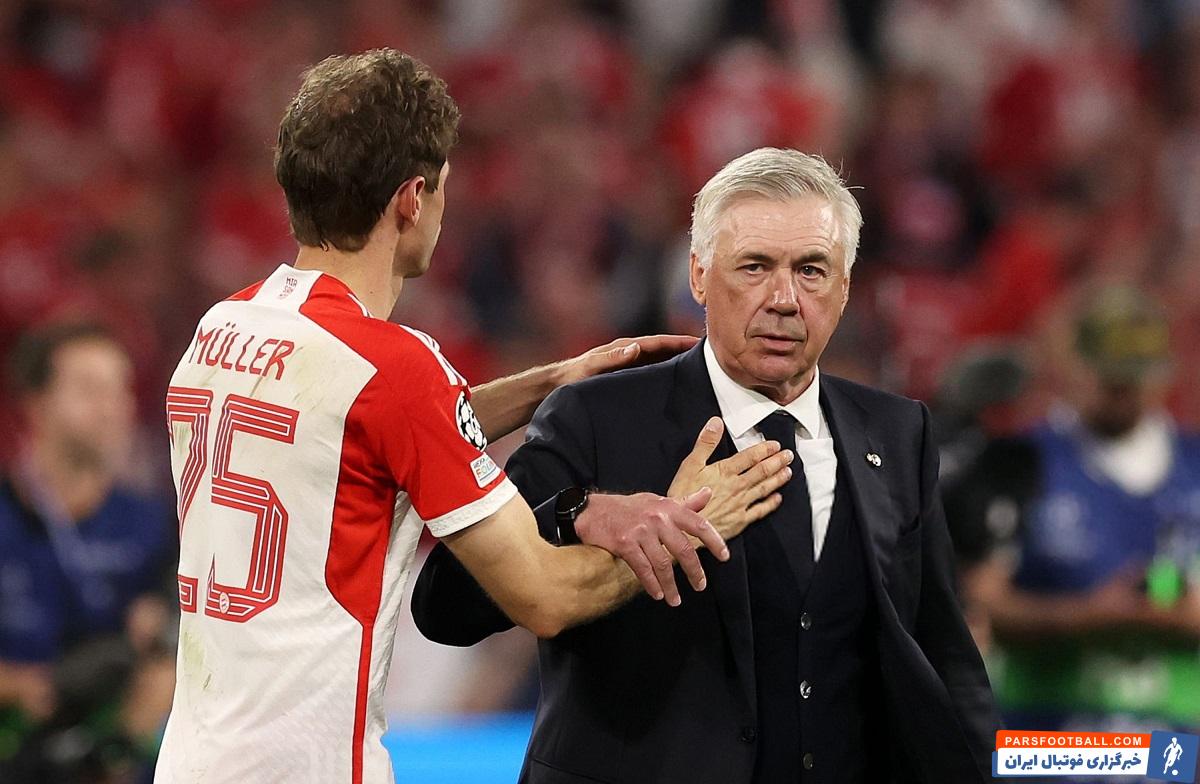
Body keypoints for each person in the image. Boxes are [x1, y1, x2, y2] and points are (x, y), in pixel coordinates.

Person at [154, 49, 792, 784]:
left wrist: (549, 382)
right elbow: (546, 596)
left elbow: (353, 432)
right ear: (411, 199)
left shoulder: (225, 327)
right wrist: (684, 519)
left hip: (193, 760)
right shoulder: (395, 369)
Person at [413, 147, 1000, 784]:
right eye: (755, 267)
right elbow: (446, 606)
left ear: (846, 288)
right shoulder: (599, 417)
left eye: (811, 270)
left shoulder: (896, 431)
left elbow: (942, 651)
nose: (784, 299)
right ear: (699, 277)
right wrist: (575, 513)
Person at [960, 287, 1200, 741]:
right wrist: (1088, 615)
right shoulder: (1020, 461)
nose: (1123, 392)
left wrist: (1185, 615)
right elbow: (981, 598)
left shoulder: (1194, 468)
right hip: (1045, 736)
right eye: (1111, 377)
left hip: (1171, 739)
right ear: (1073, 366)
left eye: (1136, 376)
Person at [0, 321, 176, 783]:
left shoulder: (154, 526)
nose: (111, 409)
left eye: (120, 390)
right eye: (88, 390)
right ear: (36, 403)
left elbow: (178, 655)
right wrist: (20, 686)